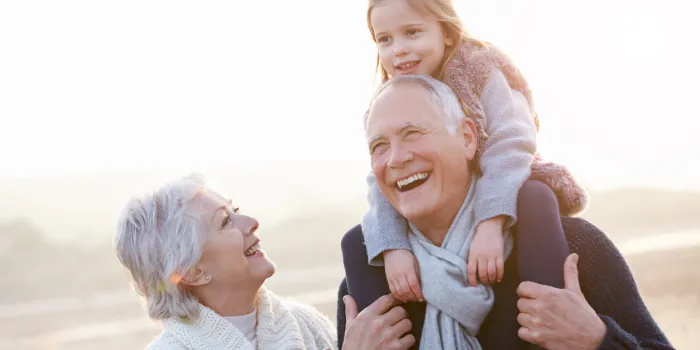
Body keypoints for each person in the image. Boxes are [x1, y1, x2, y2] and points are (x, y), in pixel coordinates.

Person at [338, 75, 673, 349]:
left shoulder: (572, 246)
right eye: (379, 146)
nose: (396, 158)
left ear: (467, 138)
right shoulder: (366, 287)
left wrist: (597, 340)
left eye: (412, 133)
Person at [360, 0, 586, 305]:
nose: (397, 49)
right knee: (356, 241)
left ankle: (548, 310)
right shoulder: (389, 101)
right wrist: (393, 247)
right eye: (384, 39)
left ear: (448, 32)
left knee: (535, 197)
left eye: (412, 33)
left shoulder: (480, 71)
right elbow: (382, 179)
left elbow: (511, 141)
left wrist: (490, 223)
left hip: (503, 180)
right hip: (443, 201)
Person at [113, 174, 415, 349]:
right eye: (224, 222)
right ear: (191, 272)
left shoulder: (303, 323)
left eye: (237, 210)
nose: (251, 222)